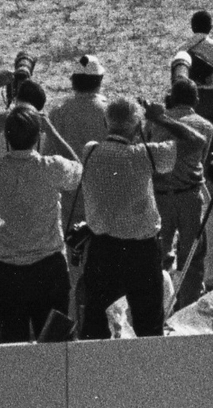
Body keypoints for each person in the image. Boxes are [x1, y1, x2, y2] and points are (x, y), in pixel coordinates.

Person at [0, 105, 82, 344]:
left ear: (6, 137)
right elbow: (77, 167)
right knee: (56, 345)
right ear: (38, 137)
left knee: (11, 346)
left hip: (6, 271)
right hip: (49, 268)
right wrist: (51, 131)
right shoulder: (51, 167)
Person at [74, 99, 177, 339]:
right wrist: (160, 120)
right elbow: (193, 144)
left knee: (96, 321)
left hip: (102, 248)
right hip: (141, 250)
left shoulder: (90, 150)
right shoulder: (143, 154)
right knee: (149, 322)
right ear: (136, 126)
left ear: (106, 123)